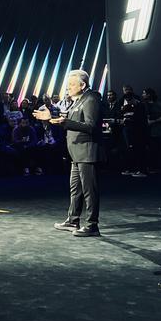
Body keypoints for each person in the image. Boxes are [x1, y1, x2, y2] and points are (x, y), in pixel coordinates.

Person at [34, 69, 103, 237]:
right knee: (76, 189)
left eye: (72, 84)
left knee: (89, 190)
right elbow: (68, 120)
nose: (68, 88)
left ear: (83, 85)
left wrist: (65, 122)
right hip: (76, 153)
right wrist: (51, 118)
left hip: (86, 152)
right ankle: (73, 220)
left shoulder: (90, 99)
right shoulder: (78, 101)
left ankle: (92, 225)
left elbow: (91, 126)